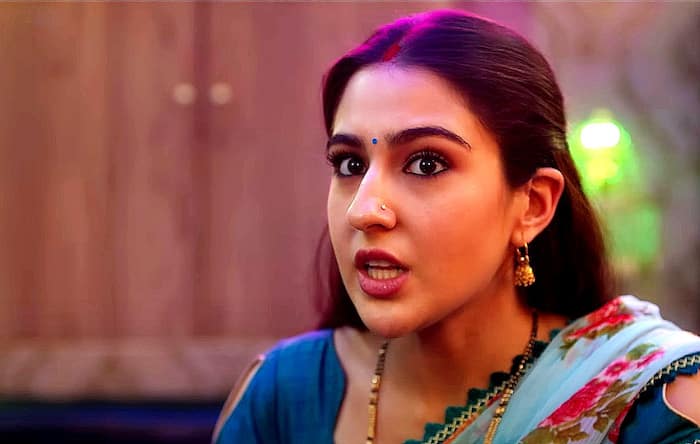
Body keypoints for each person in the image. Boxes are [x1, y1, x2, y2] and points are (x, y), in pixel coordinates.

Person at [213, 9, 700, 444]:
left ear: (532, 205)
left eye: (426, 164)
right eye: (350, 164)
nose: (363, 211)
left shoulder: (649, 400)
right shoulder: (282, 397)